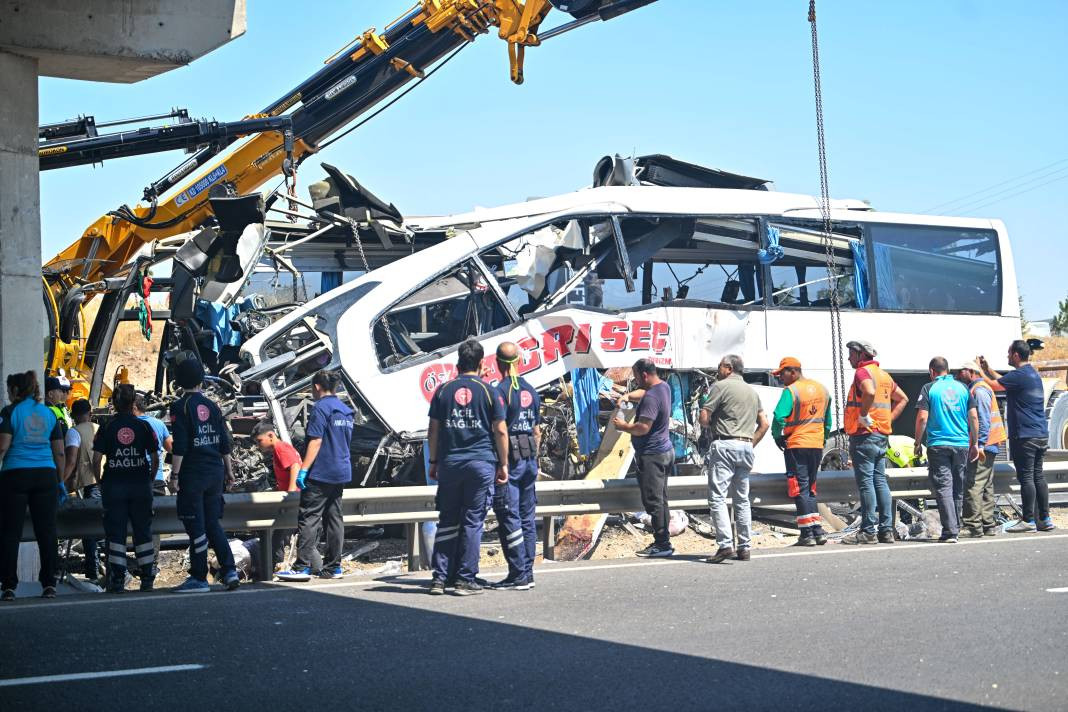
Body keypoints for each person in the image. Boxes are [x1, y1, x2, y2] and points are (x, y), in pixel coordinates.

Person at [426, 338, 508, 595]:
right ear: (482, 363)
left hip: (450, 463)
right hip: (481, 463)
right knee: (473, 521)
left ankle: (439, 578)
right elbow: (501, 431)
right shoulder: (489, 392)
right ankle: (465, 579)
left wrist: (433, 461)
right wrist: (504, 464)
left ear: (458, 363)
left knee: (447, 519)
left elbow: (433, 430)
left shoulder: (443, 390)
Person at [168, 358, 240, 593]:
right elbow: (224, 441)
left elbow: (180, 445)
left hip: (193, 474)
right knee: (212, 523)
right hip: (215, 472)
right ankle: (229, 570)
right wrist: (229, 471)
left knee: (196, 526)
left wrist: (174, 476)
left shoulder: (180, 407)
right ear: (201, 379)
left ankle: (199, 577)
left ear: (179, 381)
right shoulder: (213, 406)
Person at [277, 370, 355, 582]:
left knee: (309, 518)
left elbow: (316, 441)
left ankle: (301, 567)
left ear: (317, 387)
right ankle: (333, 567)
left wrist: (304, 469)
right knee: (334, 519)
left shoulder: (321, 408)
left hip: (321, 472)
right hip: (341, 471)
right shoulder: (346, 410)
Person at [0, 371, 66, 600]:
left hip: (15, 475)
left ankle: (9, 586)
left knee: (10, 532)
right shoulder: (48, 413)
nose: (8, 394)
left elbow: (2, 447)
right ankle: (49, 584)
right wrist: (60, 481)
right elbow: (59, 452)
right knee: (47, 531)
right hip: (45, 475)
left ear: (15, 390)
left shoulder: (9, 412)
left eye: (8, 390)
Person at [698, 354, 769, 563]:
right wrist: (749, 443)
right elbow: (764, 424)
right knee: (742, 499)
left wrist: (710, 423)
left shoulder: (720, 387)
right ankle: (744, 547)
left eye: (720, 366)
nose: (717, 369)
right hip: (746, 446)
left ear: (728, 368)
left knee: (717, 498)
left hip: (725, 444)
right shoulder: (752, 391)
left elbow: (704, 417)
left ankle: (725, 545)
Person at [977, 341, 1054, 532]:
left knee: (1026, 477)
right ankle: (1044, 519)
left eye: (1009, 353)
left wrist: (978, 370)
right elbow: (1003, 380)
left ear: (1016, 355)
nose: (1007, 356)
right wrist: (988, 369)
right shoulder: (1030, 373)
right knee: (1038, 476)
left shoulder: (1019, 375)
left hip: (1025, 435)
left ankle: (1028, 520)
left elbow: (994, 386)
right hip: (1040, 434)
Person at [840, 340, 908, 545]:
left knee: (867, 484)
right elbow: (903, 399)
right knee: (880, 481)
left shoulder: (863, 372)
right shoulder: (884, 375)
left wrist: (863, 415)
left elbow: (869, 392)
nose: (849, 358)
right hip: (880, 436)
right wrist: (886, 421)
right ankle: (886, 530)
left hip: (864, 435)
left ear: (861, 355)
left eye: (851, 354)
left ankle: (868, 531)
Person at [93, 384, 159, 592]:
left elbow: (96, 459)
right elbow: (155, 458)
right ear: (133, 404)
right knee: (143, 533)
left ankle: (118, 580)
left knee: (116, 535)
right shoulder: (144, 426)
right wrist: (148, 479)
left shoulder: (107, 426)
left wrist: (100, 481)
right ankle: (147, 578)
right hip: (140, 487)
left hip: (114, 488)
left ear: (114, 403)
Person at [613, 359, 676, 558]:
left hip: (652, 455)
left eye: (637, 377)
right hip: (664, 452)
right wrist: (627, 395)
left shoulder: (651, 398)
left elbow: (642, 428)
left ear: (645, 375)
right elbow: (644, 392)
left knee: (654, 501)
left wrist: (623, 426)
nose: (636, 381)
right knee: (661, 499)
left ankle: (662, 544)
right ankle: (664, 540)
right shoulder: (663, 387)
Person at [490, 341, 540, 590]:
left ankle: (517, 574)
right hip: (530, 458)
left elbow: (500, 430)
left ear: (498, 363)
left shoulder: (499, 391)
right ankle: (527, 572)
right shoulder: (532, 390)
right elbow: (537, 431)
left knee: (510, 517)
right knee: (527, 518)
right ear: (519, 361)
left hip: (510, 461)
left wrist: (502, 464)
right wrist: (535, 460)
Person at [914, 357, 978, 544]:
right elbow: (974, 417)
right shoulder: (963, 388)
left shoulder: (929, 388)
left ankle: (950, 531)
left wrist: (917, 443)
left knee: (944, 487)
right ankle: (955, 528)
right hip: (961, 444)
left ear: (932, 372)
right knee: (957, 488)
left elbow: (922, 418)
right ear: (948, 370)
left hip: (938, 444)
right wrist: (974, 443)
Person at [770, 357, 832, 546]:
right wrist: (821, 439)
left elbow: (779, 417)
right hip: (816, 445)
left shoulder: (791, 391)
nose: (780, 378)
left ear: (793, 372)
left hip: (797, 445)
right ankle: (817, 531)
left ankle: (807, 534)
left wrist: (777, 436)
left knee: (799, 488)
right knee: (811, 489)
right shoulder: (823, 389)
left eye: (782, 374)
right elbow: (827, 422)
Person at [252, 422, 322, 573]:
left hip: (294, 499)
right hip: (296, 497)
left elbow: (295, 466)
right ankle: (274, 566)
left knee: (283, 535)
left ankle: (271, 568)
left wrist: (290, 494)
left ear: (270, 435)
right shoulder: (281, 448)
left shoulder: (281, 448)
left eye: (259, 441)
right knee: (285, 534)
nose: (258, 445)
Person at [957, 362, 1007, 537]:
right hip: (989, 444)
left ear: (971, 372)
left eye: (961, 371)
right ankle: (988, 525)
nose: (958, 374)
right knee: (985, 486)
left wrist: (979, 445)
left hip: (984, 445)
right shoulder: (979, 388)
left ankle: (972, 526)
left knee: (973, 484)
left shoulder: (979, 391)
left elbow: (983, 420)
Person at [69, 399, 102, 580]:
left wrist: (62, 482)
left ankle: (93, 572)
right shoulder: (100, 428)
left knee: (89, 529)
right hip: (107, 482)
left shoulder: (74, 432)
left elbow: (71, 460)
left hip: (89, 484)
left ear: (73, 415)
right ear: (90, 413)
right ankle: (113, 568)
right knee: (105, 526)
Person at [45, 376, 79, 491]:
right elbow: (60, 442)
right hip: (53, 459)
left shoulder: (59, 408)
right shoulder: (49, 411)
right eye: (59, 391)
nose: (62, 394)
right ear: (50, 394)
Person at [134, 395, 172, 497]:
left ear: (134, 407)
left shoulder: (124, 426)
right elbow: (172, 449)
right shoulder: (159, 423)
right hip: (156, 482)